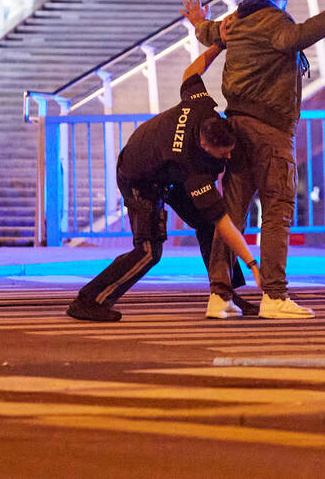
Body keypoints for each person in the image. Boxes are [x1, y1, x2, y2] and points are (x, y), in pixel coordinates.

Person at [183, 0, 325, 319]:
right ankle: (274, 296)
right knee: (278, 211)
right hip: (270, 131)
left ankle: (219, 297)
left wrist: (198, 22)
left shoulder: (237, 19)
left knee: (231, 214)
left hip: (237, 127)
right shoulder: (273, 20)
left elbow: (211, 34)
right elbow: (296, 36)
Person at [67, 42, 261, 322]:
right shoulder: (193, 166)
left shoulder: (201, 106)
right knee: (149, 251)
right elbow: (224, 222)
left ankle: (226, 293)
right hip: (138, 177)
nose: (230, 156)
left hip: (164, 168)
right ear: (206, 146)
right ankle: (88, 300)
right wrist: (254, 265)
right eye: (224, 154)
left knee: (205, 225)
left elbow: (192, 71)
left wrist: (219, 44)